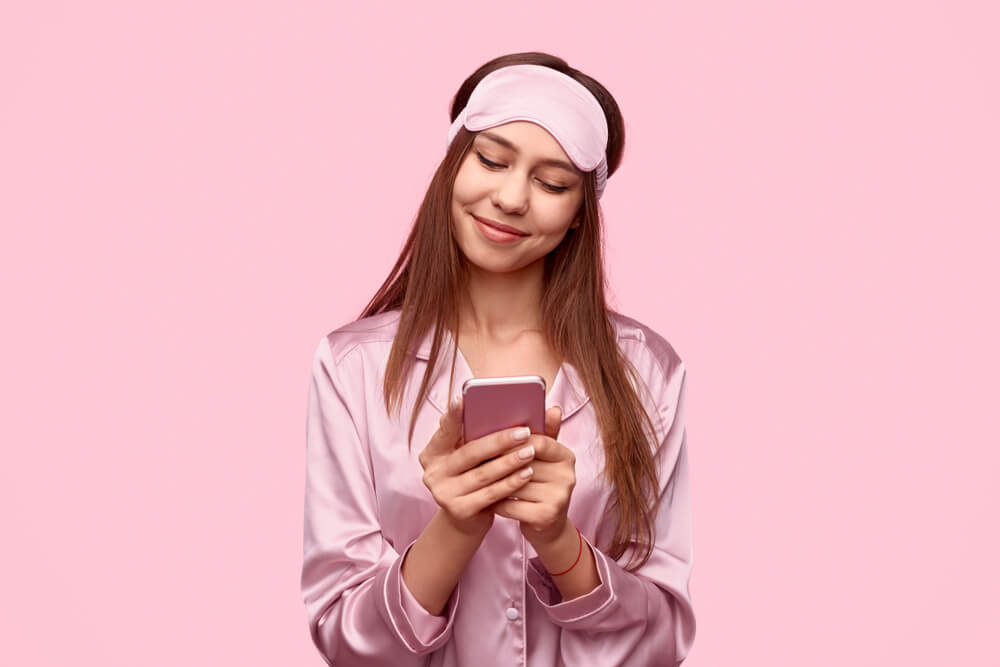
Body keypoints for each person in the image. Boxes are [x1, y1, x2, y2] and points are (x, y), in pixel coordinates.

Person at [301, 52, 696, 666]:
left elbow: (662, 642)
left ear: (577, 215)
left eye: (553, 183)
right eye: (491, 159)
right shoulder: (352, 367)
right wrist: (455, 529)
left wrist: (561, 543)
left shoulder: (649, 374)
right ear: (453, 166)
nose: (511, 198)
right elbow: (348, 644)